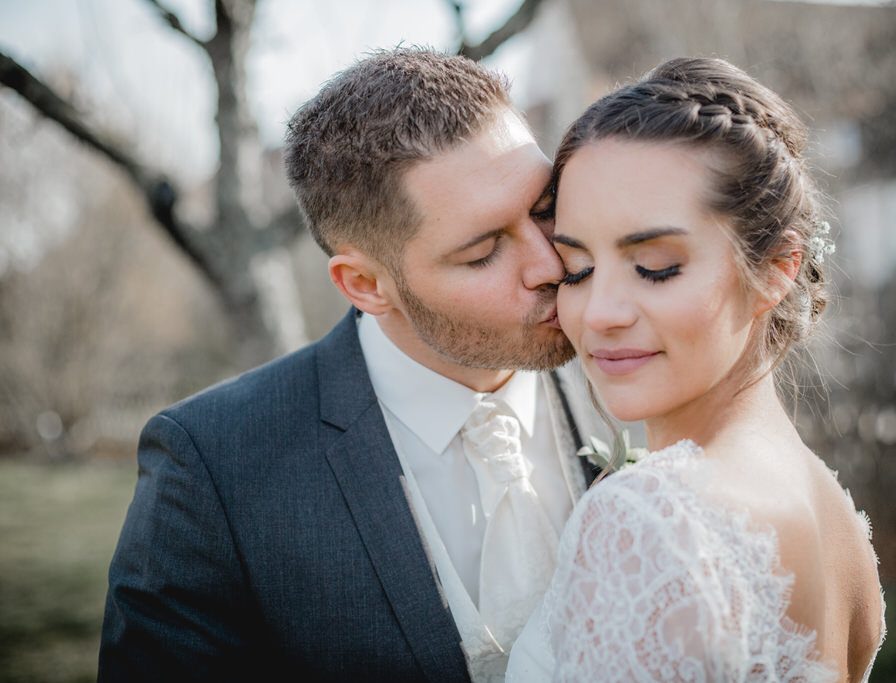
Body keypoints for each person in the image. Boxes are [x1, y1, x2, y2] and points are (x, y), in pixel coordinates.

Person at [98, 48, 602, 683]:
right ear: (365, 284)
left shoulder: (640, 382)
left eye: (544, 208)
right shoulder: (212, 469)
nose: (551, 266)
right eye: (482, 252)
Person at [506, 57, 886, 682]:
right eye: (576, 268)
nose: (599, 313)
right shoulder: (836, 515)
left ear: (776, 268)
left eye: (655, 266)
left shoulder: (648, 517)